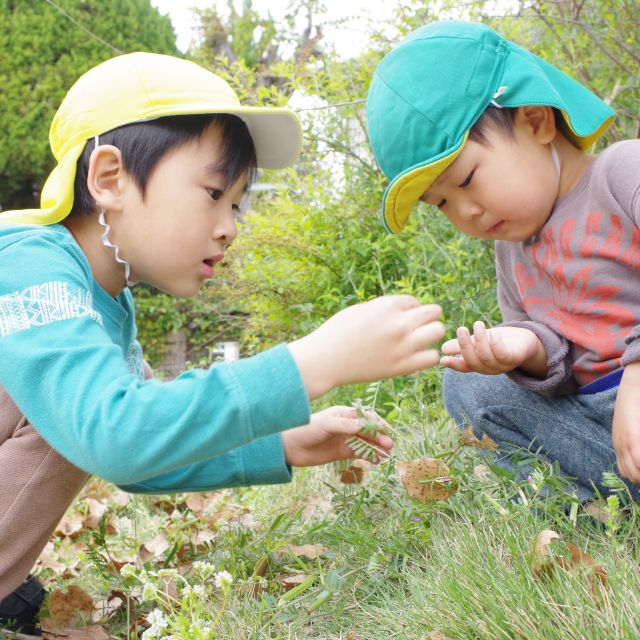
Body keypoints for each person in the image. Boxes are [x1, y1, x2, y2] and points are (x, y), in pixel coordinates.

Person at [0, 52, 446, 637]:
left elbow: (138, 451)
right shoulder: (28, 262)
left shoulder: (109, 299)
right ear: (110, 178)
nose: (230, 224)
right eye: (213, 192)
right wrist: (312, 362)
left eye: (235, 203)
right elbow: (114, 437)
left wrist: (277, 443)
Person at [366, 20, 640, 503]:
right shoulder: (510, 251)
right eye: (442, 204)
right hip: (610, 439)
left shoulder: (622, 173)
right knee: (468, 385)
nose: (464, 212)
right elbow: (561, 370)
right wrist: (527, 350)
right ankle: (595, 507)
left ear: (536, 120)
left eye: (467, 179)